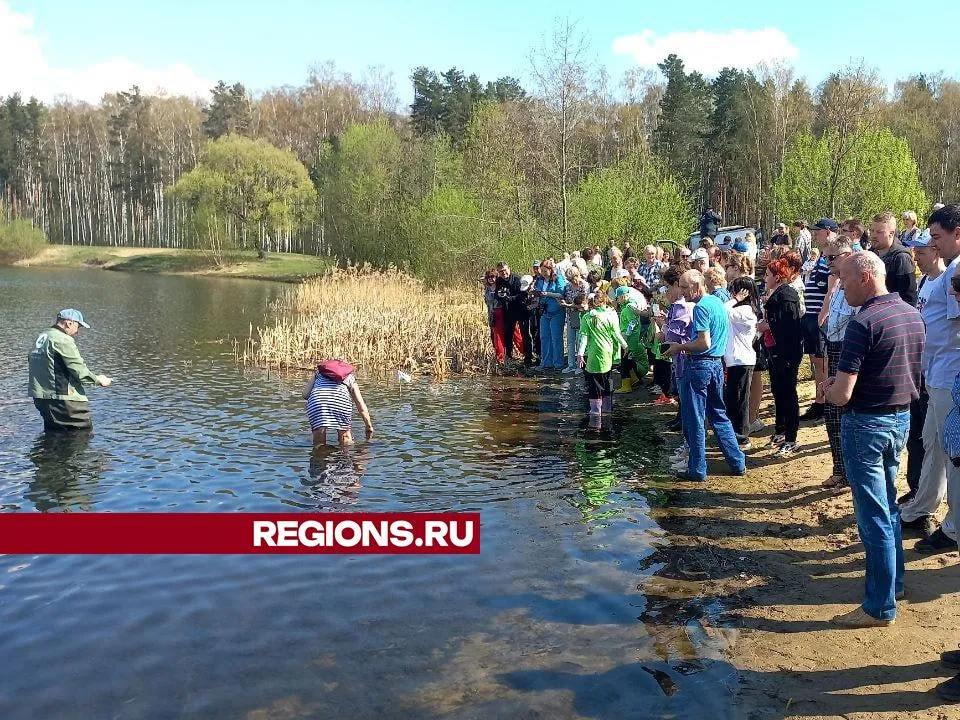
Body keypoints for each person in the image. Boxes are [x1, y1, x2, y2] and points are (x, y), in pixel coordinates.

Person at [823, 252, 924, 628]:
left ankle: (879, 607)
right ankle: (893, 584)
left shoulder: (862, 323)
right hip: (900, 420)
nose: (840, 287)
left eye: (845, 279)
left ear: (865, 277)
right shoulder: (911, 313)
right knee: (889, 506)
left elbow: (843, 394)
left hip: (866, 423)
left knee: (873, 515)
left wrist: (828, 389)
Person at [904, 204, 960, 554]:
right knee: (934, 444)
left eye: (937, 238)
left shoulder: (958, 272)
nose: (933, 245)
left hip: (950, 376)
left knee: (952, 451)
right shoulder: (944, 273)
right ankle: (921, 506)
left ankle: (953, 527)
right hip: (935, 373)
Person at [663, 270, 746, 481]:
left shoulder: (700, 308)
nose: (681, 291)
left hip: (699, 365)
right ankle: (737, 463)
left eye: (683, 287)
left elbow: (703, 342)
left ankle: (697, 469)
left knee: (695, 419)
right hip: (717, 365)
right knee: (719, 415)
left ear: (696, 286)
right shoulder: (718, 302)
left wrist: (679, 347)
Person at [898, 229, 941, 511]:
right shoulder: (925, 280)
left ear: (935, 251)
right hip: (921, 370)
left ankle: (926, 501)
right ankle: (917, 490)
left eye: (921, 252)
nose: (916, 257)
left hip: (939, 372)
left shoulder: (946, 282)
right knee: (918, 436)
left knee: (933, 442)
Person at [28, 309, 112, 431]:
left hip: (40, 398)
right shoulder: (63, 340)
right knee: (81, 435)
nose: (78, 331)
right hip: (64, 401)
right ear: (69, 323)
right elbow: (80, 372)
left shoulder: (42, 337)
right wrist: (99, 380)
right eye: (78, 326)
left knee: (54, 436)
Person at [817, 237, 857, 489]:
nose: (828, 263)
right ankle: (840, 469)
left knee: (844, 415)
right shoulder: (838, 287)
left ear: (848, 255)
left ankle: (848, 472)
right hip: (834, 351)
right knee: (832, 414)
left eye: (833, 258)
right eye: (826, 258)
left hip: (848, 354)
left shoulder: (855, 287)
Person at [759, 259, 803, 456]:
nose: (765, 278)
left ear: (777, 277)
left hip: (786, 353)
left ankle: (791, 437)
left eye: (768, 275)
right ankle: (780, 429)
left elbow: (789, 327)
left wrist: (767, 326)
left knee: (787, 393)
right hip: (774, 351)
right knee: (778, 391)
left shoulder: (787, 295)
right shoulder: (777, 294)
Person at [799, 219, 837, 422]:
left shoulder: (832, 256)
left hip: (820, 317)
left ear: (828, 231)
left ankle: (824, 403)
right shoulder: (822, 255)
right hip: (812, 315)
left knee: (823, 362)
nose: (814, 235)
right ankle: (819, 400)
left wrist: (823, 314)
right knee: (817, 361)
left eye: (817, 231)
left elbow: (832, 288)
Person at [576, 292, 628, 419]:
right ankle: (607, 410)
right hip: (607, 354)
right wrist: (625, 346)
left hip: (593, 355)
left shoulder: (587, 317)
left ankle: (595, 412)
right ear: (605, 301)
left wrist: (580, 354)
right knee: (607, 381)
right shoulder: (610, 315)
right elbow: (617, 334)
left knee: (594, 383)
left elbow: (583, 337)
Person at [722, 277, 759, 448]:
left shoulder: (744, 309)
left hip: (741, 360)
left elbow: (721, 311)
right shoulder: (746, 310)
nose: (731, 294)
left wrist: (736, 299)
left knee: (739, 399)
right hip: (737, 359)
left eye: (734, 290)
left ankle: (742, 436)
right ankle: (736, 433)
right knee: (734, 398)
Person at [303, 362, 373, 446]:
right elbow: (360, 403)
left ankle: (320, 455)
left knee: (319, 443)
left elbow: (305, 395)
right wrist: (368, 426)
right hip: (340, 403)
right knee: (345, 439)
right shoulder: (349, 376)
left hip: (318, 402)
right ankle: (345, 456)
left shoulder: (319, 373)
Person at [869, 210, 918, 307]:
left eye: (879, 232)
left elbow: (909, 298)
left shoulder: (901, 258)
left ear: (891, 233)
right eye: (872, 230)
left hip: (892, 315)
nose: (873, 235)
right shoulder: (871, 254)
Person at [533, 259, 567, 371]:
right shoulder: (540, 281)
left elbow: (560, 293)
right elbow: (537, 291)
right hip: (545, 312)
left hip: (556, 312)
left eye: (545, 271)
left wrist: (547, 294)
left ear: (551, 269)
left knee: (556, 338)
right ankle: (546, 362)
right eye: (541, 271)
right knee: (544, 337)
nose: (543, 273)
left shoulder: (558, 279)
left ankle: (558, 363)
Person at [614, 285, 648, 394]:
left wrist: (625, 337)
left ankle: (626, 385)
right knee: (628, 360)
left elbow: (632, 323)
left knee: (625, 362)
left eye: (617, 298)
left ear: (622, 297)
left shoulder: (628, 308)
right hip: (632, 338)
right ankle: (634, 380)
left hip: (629, 339)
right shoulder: (630, 306)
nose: (617, 301)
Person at [561, 266, 590, 374]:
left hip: (581, 316)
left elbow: (583, 303)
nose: (571, 281)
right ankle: (571, 364)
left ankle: (580, 366)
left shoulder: (584, 285)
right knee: (570, 341)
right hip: (570, 315)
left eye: (572, 278)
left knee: (580, 341)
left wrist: (568, 305)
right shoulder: (568, 286)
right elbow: (566, 297)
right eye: (569, 279)